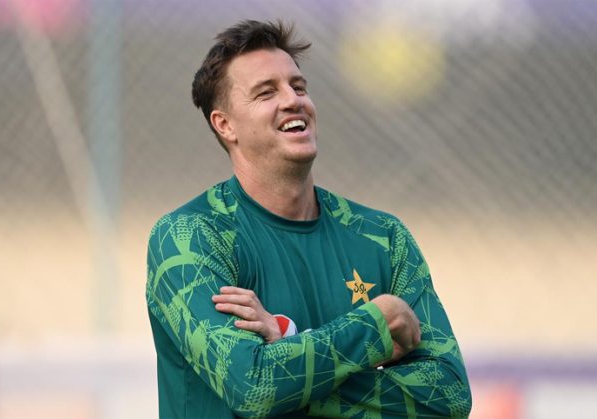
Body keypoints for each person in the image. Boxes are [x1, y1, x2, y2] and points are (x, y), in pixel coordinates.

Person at [146, 20, 472, 418]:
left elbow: (449, 398)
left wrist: (289, 341)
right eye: (267, 92)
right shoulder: (188, 237)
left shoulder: (384, 238)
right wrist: (377, 321)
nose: (293, 100)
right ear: (225, 124)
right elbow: (253, 387)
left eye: (298, 87)